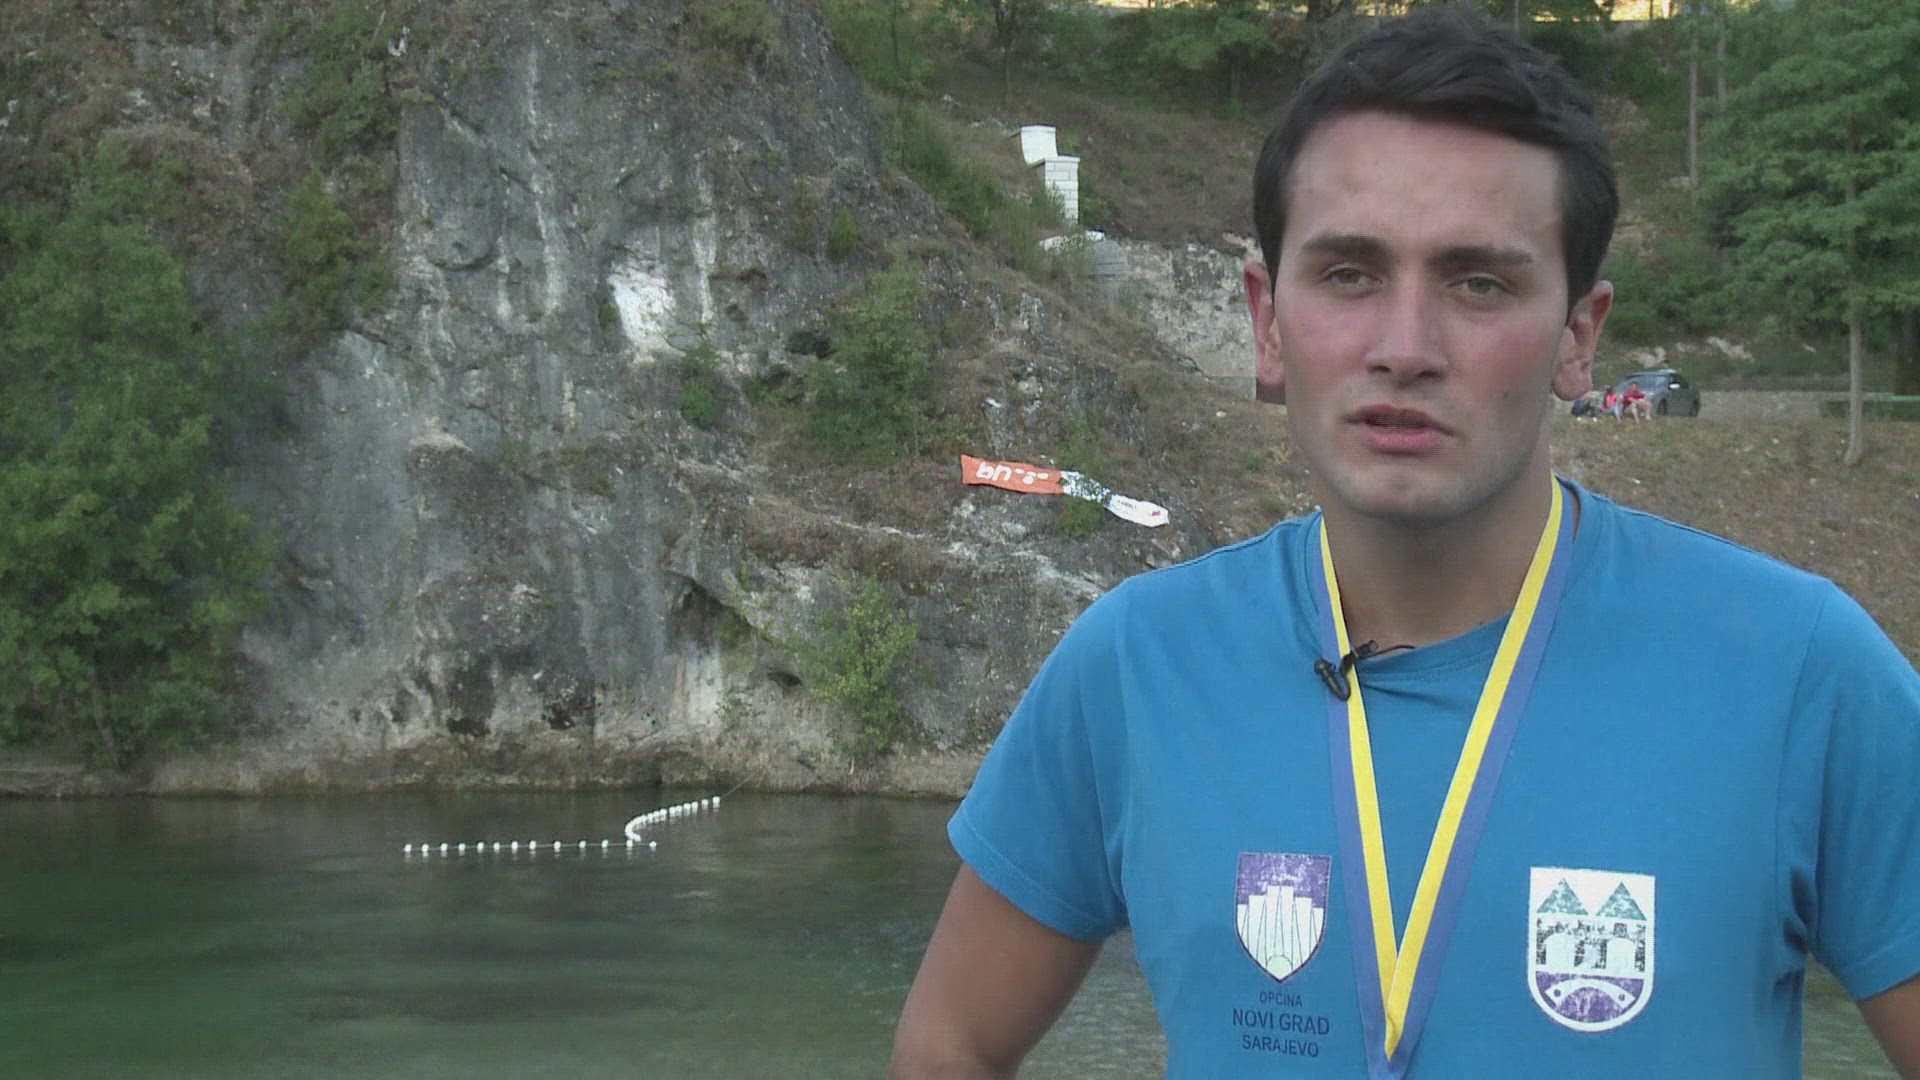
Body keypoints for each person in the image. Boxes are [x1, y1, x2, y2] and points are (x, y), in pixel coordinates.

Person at [890, 8, 1920, 1079]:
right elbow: (947, 1045)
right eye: (1349, 273)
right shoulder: (1136, 665)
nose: (1405, 347)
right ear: (1268, 321)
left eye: (1480, 283)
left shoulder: (1799, 672)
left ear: (1579, 337)